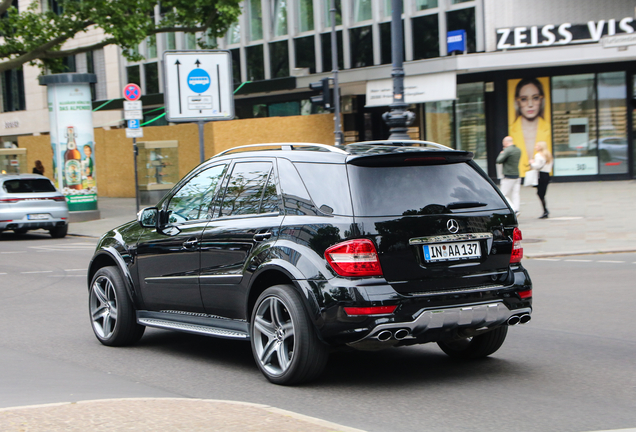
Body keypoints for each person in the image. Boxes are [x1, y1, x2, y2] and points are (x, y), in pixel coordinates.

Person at [508, 78, 551, 179]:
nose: (530, 105)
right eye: (524, 99)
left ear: (541, 100)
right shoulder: (511, 131)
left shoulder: (549, 129)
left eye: (535, 98)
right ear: (517, 102)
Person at [496, 136, 522, 214]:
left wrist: (501, 154)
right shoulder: (518, 150)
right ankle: (517, 208)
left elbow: (499, 160)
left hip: (508, 175)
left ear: (505, 142)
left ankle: (513, 209)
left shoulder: (507, 150)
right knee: (516, 193)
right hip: (517, 174)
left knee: (503, 194)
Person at [529, 141, 553, 219]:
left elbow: (537, 166)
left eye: (537, 146)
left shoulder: (538, 155)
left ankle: (545, 210)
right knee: (542, 193)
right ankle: (545, 210)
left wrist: (532, 163)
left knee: (540, 193)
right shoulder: (548, 155)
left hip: (540, 175)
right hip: (547, 175)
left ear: (541, 147)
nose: (535, 147)